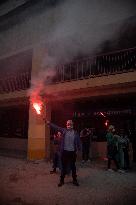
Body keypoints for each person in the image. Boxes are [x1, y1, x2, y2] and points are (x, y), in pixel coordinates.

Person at [47, 119, 81, 187]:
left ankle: (74, 180)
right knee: (64, 167)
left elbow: (78, 142)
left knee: (73, 167)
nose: (69, 125)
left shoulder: (75, 133)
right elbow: (56, 127)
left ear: (72, 125)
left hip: (72, 153)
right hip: (65, 152)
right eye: (68, 123)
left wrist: (79, 150)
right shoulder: (64, 130)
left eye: (70, 123)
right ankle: (61, 180)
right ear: (66, 125)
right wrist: (49, 123)